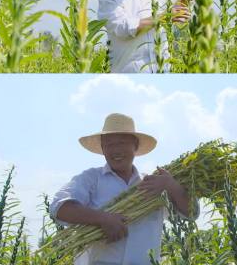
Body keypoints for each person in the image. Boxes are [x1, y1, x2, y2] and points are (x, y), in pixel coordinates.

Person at [49, 113, 196, 264]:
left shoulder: (154, 184)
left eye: (122, 143)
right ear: (103, 148)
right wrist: (102, 219)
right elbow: (59, 208)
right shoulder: (91, 179)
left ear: (135, 146)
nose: (116, 150)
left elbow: (191, 213)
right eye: (109, 145)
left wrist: (172, 186)